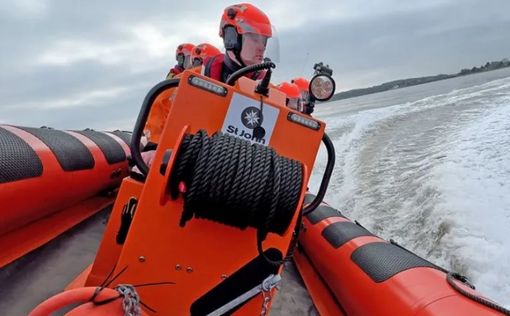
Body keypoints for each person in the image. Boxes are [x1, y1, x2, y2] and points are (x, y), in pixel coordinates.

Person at [203, 3, 272, 83]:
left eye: (264, 41)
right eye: (255, 39)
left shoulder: (262, 85)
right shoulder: (201, 73)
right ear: (231, 38)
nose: (262, 47)